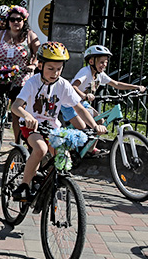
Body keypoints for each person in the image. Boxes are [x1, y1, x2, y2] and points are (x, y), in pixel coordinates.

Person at [9, 42, 108, 201]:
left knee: (64, 158)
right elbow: (15, 106)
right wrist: (27, 116)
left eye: (59, 69)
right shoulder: (32, 82)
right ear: (40, 65)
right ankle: (25, 185)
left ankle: (51, 184)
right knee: (40, 149)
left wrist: (95, 126)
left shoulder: (63, 85)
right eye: (50, 68)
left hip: (52, 129)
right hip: (31, 127)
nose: (55, 73)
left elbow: (80, 108)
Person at [0, 5, 40, 130]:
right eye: (12, 19)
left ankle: (17, 139)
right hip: (2, 72)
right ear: (8, 21)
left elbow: (39, 53)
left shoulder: (30, 35)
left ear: (24, 21)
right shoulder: (1, 35)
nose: (16, 22)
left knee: (18, 103)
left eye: (19, 19)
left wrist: (33, 65)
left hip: (21, 73)